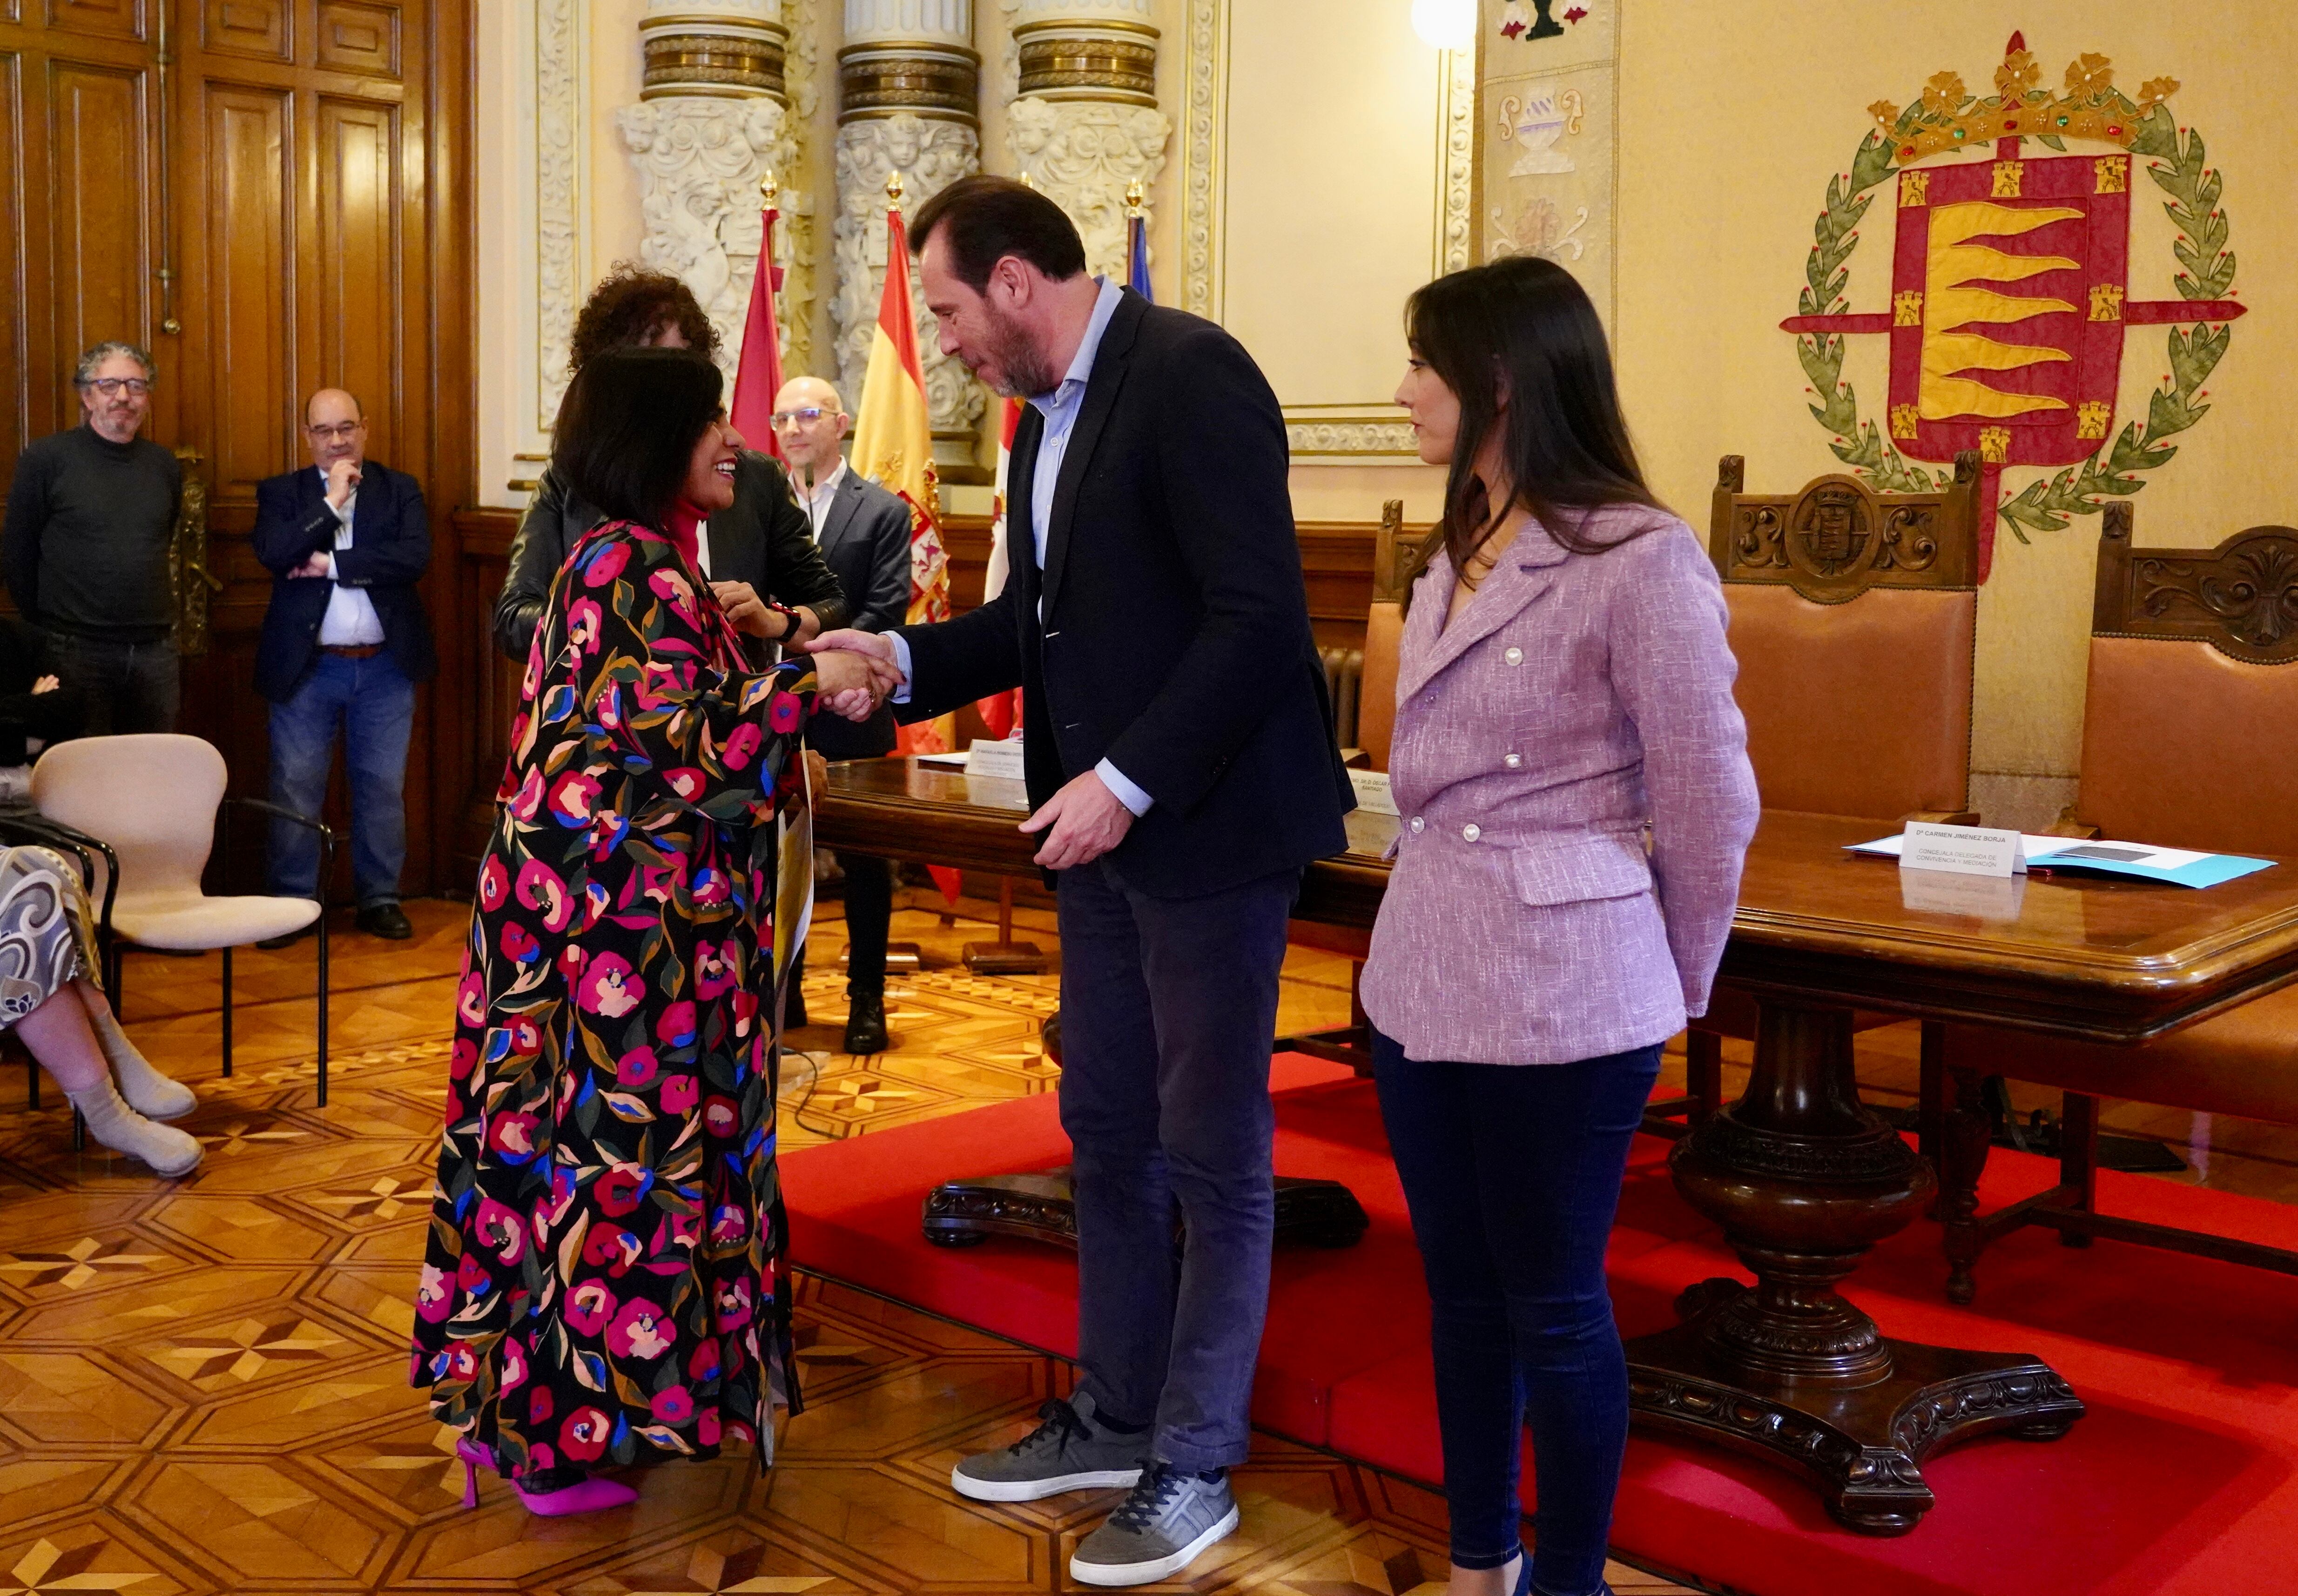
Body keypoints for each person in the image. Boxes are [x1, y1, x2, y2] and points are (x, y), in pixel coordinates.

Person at [806, 175, 1353, 1588]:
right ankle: (1115, 1412)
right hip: (1100, 835)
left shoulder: (1190, 374)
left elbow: (1256, 623)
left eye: (944, 311)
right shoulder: (1044, 417)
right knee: (1105, 1129)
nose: (944, 346)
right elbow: (1034, 630)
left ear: (1009, 281)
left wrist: (1123, 783)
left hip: (1206, 829)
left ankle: (1194, 1460)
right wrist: (903, 661)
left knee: (1211, 1152)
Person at [409, 347, 896, 1517]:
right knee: (604, 1174)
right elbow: (690, 738)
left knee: (567, 1168)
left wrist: (770, 643)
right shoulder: (632, 563)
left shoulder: (624, 561)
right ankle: (551, 1438)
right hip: (615, 943)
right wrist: (821, 674)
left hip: (593, 928)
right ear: (649, 443)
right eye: (706, 426)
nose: (732, 443)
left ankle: (537, 1412)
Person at [1360, 256, 1759, 1596]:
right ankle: (1484, 1565)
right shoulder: (1449, 549)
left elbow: (1711, 800)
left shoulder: (1641, 557)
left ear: (1503, 381)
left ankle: (1571, 1582)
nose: (1404, 387)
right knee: (1460, 1297)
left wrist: (1670, 984)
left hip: (1571, 989)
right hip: (1421, 975)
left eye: (1425, 362)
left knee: (1557, 1307)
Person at [493, 265, 849, 668]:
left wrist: (773, 621)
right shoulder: (572, 483)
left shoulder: (753, 479)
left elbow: (833, 605)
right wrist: (630, 614)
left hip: (736, 721)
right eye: (655, 369)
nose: (675, 389)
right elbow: (513, 622)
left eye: (684, 366)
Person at [249, 389, 437, 943]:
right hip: (307, 669)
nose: (337, 440)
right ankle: (292, 905)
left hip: (384, 669)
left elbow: (412, 558)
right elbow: (275, 551)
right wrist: (330, 503)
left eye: (347, 428)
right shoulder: (282, 493)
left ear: (365, 429)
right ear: (307, 436)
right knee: (295, 787)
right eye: (325, 430)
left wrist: (331, 564)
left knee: (381, 787)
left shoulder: (398, 489)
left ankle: (379, 899)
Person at [772, 375, 911, 1055]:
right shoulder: (755, 505)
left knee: (865, 869)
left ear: (841, 422)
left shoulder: (882, 510)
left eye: (805, 415)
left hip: (855, 713)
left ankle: (866, 1001)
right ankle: (785, 991)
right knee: (780, 861)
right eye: (781, 420)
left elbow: (886, 609)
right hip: (778, 711)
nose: (793, 430)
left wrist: (833, 668)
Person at [1, 343, 182, 734]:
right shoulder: (46, 460)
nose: (123, 396)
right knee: (85, 775)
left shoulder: (164, 465)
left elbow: (161, 538)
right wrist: (55, 626)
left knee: (154, 771)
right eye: (109, 385)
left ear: (147, 398)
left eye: (136, 386)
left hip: (154, 652)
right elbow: (17, 555)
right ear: (86, 395)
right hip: (76, 651)